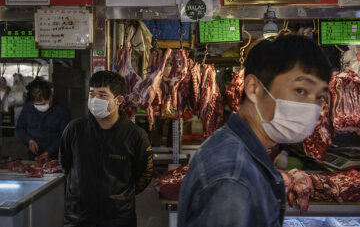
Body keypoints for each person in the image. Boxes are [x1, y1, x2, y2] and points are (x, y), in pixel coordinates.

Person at [178, 34, 331, 227]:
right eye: (300, 90)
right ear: (254, 88)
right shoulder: (233, 178)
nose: (312, 107)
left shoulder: (236, 151)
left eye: (319, 97)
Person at [59, 71, 153, 227]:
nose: (95, 99)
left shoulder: (136, 135)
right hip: (78, 217)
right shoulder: (74, 129)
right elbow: (65, 164)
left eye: (102, 95)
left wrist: (118, 198)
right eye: (92, 94)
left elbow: (144, 175)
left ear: (119, 100)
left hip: (118, 219)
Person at [16, 78, 71, 160]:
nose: (40, 107)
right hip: (34, 156)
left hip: (56, 157)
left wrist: (49, 152)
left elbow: (65, 136)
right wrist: (29, 141)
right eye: (36, 105)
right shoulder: (28, 107)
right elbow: (20, 128)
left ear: (50, 98)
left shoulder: (62, 110)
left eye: (43, 104)